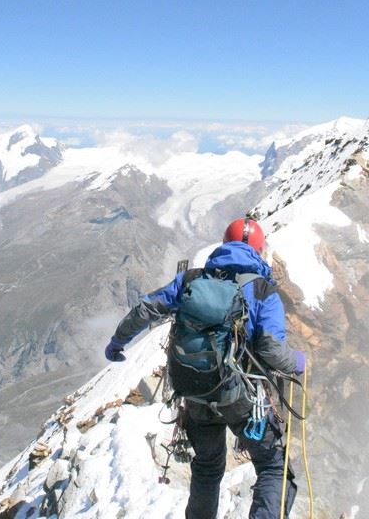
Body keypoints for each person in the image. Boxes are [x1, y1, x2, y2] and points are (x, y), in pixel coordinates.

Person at [104, 218, 306, 519]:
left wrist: (117, 342)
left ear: (224, 245)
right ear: (259, 251)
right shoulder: (263, 291)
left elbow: (147, 308)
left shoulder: (191, 280)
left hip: (195, 393)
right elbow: (270, 349)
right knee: (273, 466)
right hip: (242, 398)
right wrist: (299, 363)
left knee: (208, 468)